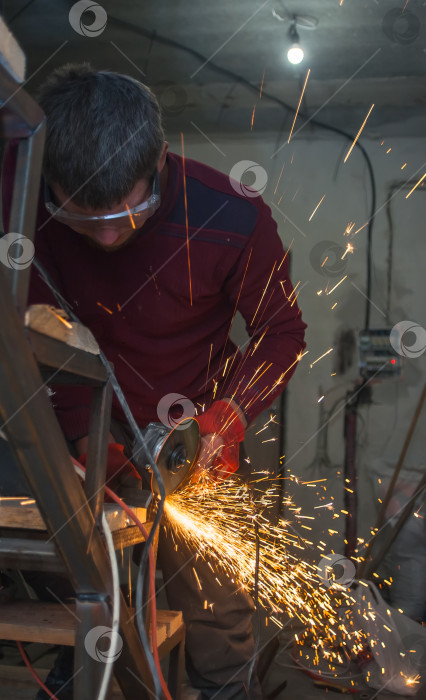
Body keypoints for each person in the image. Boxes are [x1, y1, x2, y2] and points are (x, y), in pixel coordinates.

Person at [2, 64, 306, 700]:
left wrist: (227, 418)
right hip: (67, 426)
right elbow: (21, 339)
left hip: (193, 434)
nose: (109, 236)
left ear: (160, 161)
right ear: (46, 179)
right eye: (83, 215)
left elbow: (281, 332)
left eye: (127, 211)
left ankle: (225, 687)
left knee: (219, 613)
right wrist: (84, 438)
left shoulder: (231, 216)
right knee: (83, 589)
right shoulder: (17, 199)